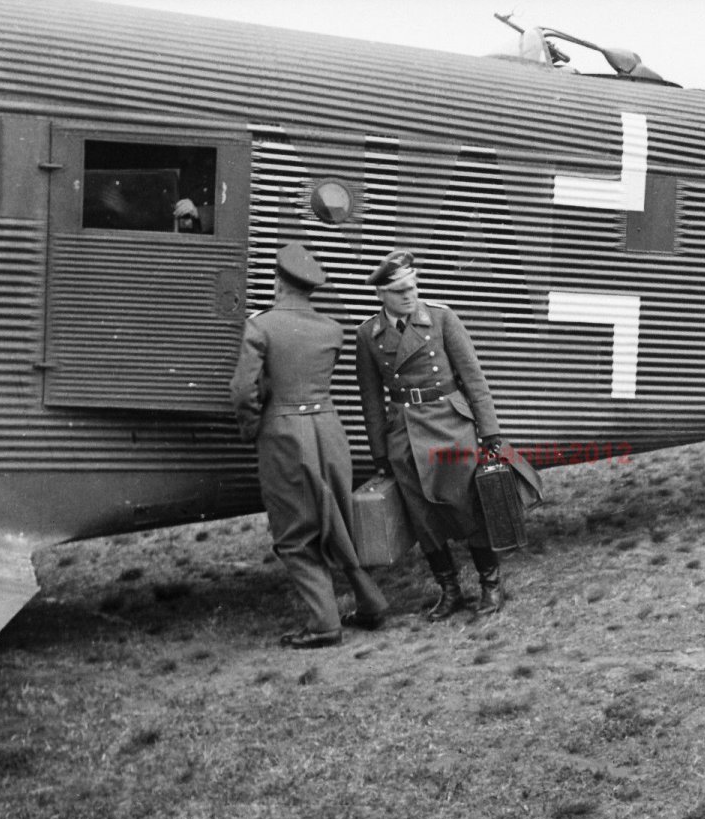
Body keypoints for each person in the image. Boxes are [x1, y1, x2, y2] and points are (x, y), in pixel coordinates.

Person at [355, 250, 542, 621]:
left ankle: (490, 584)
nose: (410, 295)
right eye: (400, 291)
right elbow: (371, 400)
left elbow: (473, 377)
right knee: (423, 517)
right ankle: (450, 590)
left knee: (468, 506)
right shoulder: (368, 334)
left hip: (451, 426)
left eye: (413, 287)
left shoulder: (441, 318)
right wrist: (379, 452)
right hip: (405, 436)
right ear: (381, 294)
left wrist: (490, 431)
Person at [230, 242, 389, 648]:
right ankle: (371, 603)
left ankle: (324, 624)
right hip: (329, 431)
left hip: (284, 435)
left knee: (294, 532)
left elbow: (243, 391)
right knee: (336, 520)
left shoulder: (261, 327)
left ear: (278, 282)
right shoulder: (331, 329)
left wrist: (252, 429)